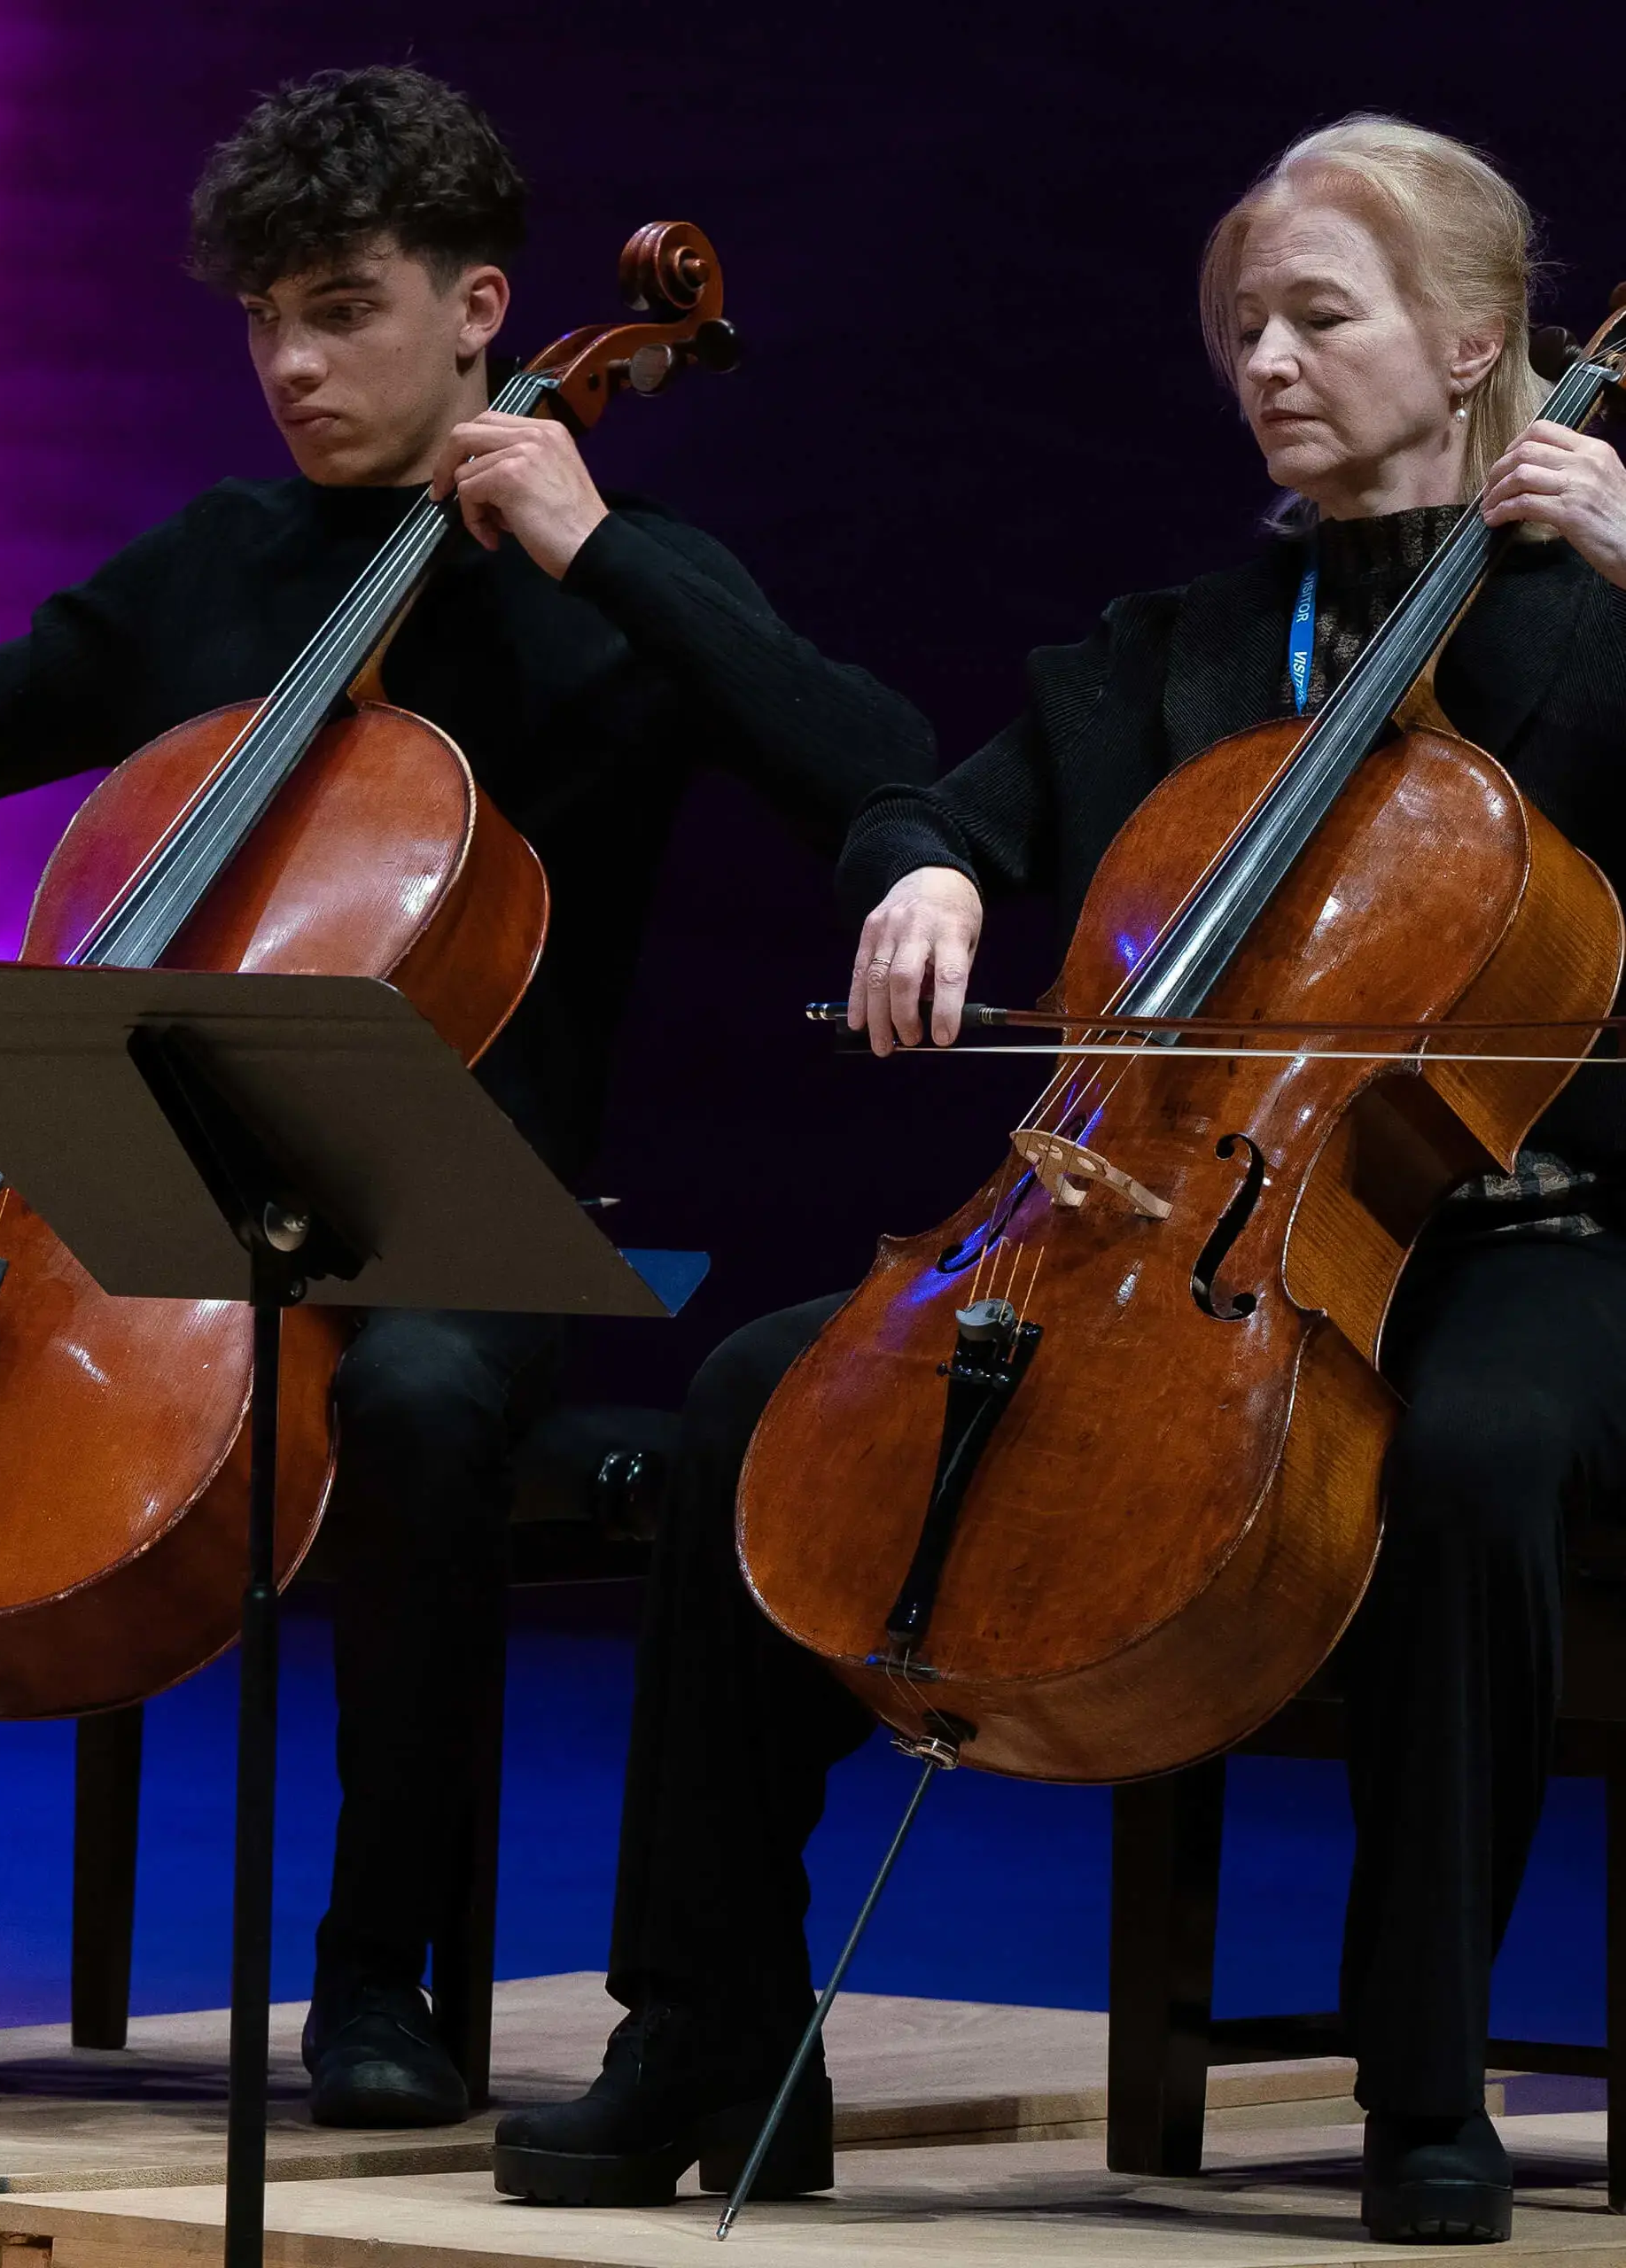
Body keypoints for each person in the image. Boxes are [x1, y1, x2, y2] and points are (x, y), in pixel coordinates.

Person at [0, 66, 935, 2124]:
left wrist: (600, 545)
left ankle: (387, 1969)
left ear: (479, 308)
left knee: (422, 1398)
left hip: (451, 1210)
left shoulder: (611, 583)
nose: (291, 363)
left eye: (342, 310)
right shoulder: (220, 560)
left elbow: (865, 755)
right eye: (263, 318)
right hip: (120, 1186)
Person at [494, 114, 1626, 2246]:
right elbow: (953, 799)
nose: (1267, 359)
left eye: (1322, 313)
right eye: (1242, 326)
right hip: (1193, 1223)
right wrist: (917, 863)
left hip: (1541, 1231)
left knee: (1470, 1454)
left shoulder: (1597, 615)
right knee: (758, 1387)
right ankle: (710, 2025)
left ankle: (1420, 2082)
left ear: (1475, 337)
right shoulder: (1185, 640)